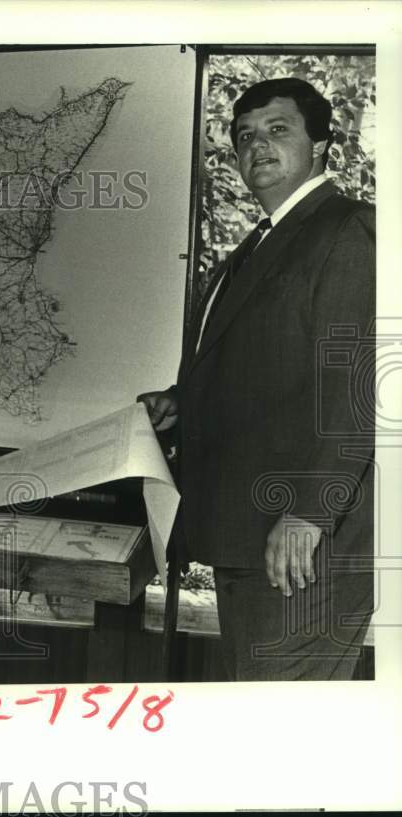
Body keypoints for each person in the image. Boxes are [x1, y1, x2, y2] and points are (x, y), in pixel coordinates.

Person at [139, 78, 375, 681]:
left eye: (278, 129)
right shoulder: (253, 248)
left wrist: (311, 512)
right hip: (250, 537)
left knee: (284, 731)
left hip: (304, 543)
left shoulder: (348, 231)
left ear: (322, 144)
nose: (257, 146)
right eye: (244, 136)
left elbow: (359, 383)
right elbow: (268, 374)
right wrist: (182, 402)